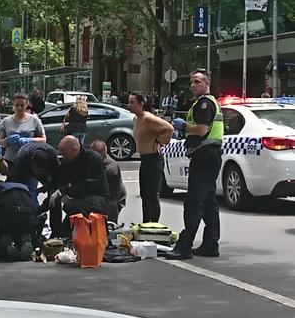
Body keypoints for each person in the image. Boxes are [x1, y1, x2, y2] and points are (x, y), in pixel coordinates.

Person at [164, 69, 223, 260]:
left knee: (194, 202)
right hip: (208, 156)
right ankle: (210, 244)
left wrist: (184, 126)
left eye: (197, 82)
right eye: (191, 82)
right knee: (208, 202)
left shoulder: (204, 104)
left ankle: (185, 245)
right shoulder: (204, 102)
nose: (192, 85)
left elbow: (201, 129)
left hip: (205, 156)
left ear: (207, 83)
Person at [48, 136, 110, 237]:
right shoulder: (68, 161)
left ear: (74, 150)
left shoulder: (93, 159)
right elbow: (59, 182)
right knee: (62, 232)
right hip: (80, 200)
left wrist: (63, 191)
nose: (63, 156)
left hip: (99, 198)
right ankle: (58, 235)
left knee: (70, 205)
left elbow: (87, 186)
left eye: (64, 153)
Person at [128, 92, 173, 223]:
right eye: (129, 102)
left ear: (141, 104)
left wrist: (159, 141)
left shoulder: (148, 118)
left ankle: (153, 225)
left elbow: (169, 128)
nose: (129, 105)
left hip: (154, 159)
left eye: (132, 102)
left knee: (152, 195)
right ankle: (146, 222)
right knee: (144, 194)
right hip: (144, 159)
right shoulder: (136, 119)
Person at [0, 93, 46, 163]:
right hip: (10, 159)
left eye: (22, 105)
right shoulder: (6, 121)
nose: (19, 108)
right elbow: (1, 142)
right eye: (17, 105)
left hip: (29, 159)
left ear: (26, 105)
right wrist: (8, 140)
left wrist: (29, 140)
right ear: (13, 105)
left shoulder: (34, 120)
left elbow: (43, 140)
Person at [90, 140, 127, 223]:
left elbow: (110, 194)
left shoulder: (111, 170)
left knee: (110, 211)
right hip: (101, 194)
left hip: (113, 197)